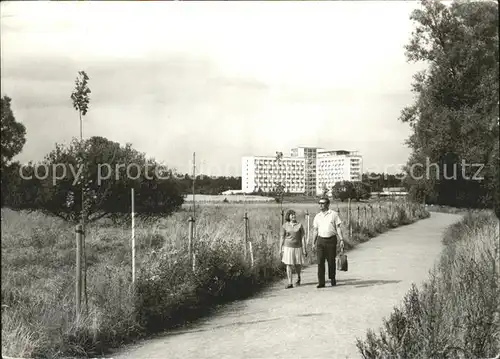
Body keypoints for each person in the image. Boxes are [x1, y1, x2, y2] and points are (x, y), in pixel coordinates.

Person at [312, 197, 344, 288]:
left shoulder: (333, 214)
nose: (320, 205)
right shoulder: (317, 216)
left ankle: (332, 278)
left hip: (331, 240)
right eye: (319, 203)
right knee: (320, 262)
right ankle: (321, 282)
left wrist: (341, 239)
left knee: (331, 261)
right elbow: (315, 230)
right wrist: (313, 243)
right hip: (320, 240)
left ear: (328, 204)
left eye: (323, 203)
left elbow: (338, 228)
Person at [280, 209, 307, 289]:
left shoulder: (299, 225)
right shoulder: (285, 226)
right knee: (288, 264)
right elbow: (282, 237)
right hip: (288, 247)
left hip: (298, 247)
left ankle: (298, 277)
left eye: (294, 214)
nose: (294, 216)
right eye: (292, 215)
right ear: (288, 216)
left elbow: (303, 237)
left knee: (297, 264)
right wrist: (280, 248)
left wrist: (304, 248)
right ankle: (290, 282)